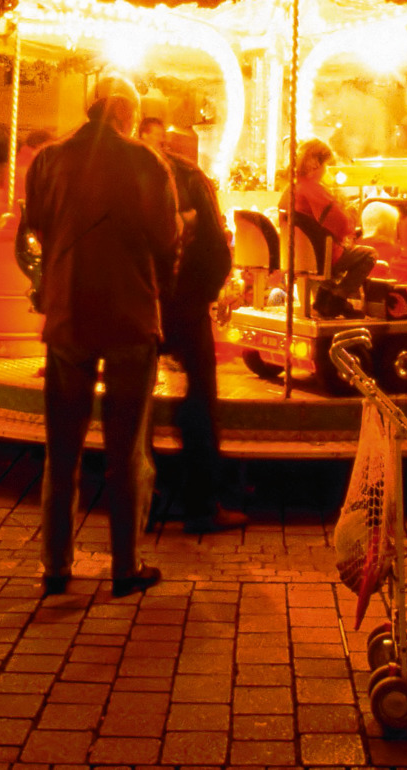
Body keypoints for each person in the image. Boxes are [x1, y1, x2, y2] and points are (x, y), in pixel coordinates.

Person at [20, 76, 179, 597]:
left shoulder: (47, 160)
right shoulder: (147, 162)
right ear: (128, 114)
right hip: (129, 313)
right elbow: (166, 237)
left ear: (91, 109)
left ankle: (55, 565)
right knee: (126, 447)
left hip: (68, 314)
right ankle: (125, 566)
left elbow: (35, 227)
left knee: (61, 447)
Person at [159, 128, 245, 534]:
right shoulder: (192, 178)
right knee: (199, 399)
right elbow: (216, 249)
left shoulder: (130, 174)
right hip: (186, 305)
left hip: (142, 302)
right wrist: (200, 297)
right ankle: (202, 502)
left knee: (135, 403)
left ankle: (147, 495)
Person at [290, 139, 374, 314]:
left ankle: (328, 296)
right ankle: (338, 296)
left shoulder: (292, 188)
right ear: (316, 164)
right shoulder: (313, 190)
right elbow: (342, 225)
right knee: (368, 255)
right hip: (324, 256)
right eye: (326, 165)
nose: (326, 170)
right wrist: (350, 216)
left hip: (300, 255)